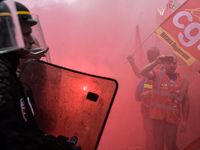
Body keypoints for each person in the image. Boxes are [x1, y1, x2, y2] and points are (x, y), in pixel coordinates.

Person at [0, 1, 81, 150]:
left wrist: (51, 143)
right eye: (25, 34)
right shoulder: (2, 75)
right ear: (5, 36)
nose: (31, 40)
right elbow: (10, 139)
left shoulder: (9, 71)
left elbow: (24, 130)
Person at [140, 53, 190, 150]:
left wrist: (185, 121)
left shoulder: (183, 80)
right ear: (164, 64)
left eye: (174, 63)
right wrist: (156, 62)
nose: (172, 66)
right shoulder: (157, 74)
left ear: (177, 64)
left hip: (173, 118)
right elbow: (143, 72)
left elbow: (186, 102)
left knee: (170, 144)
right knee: (158, 144)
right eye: (169, 63)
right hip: (157, 117)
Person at [127, 46, 164, 150]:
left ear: (157, 55)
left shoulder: (162, 68)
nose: (147, 58)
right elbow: (139, 74)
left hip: (154, 106)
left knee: (153, 132)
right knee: (148, 130)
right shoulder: (150, 68)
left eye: (150, 56)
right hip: (146, 105)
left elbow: (166, 88)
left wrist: (150, 93)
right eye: (147, 56)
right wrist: (132, 62)